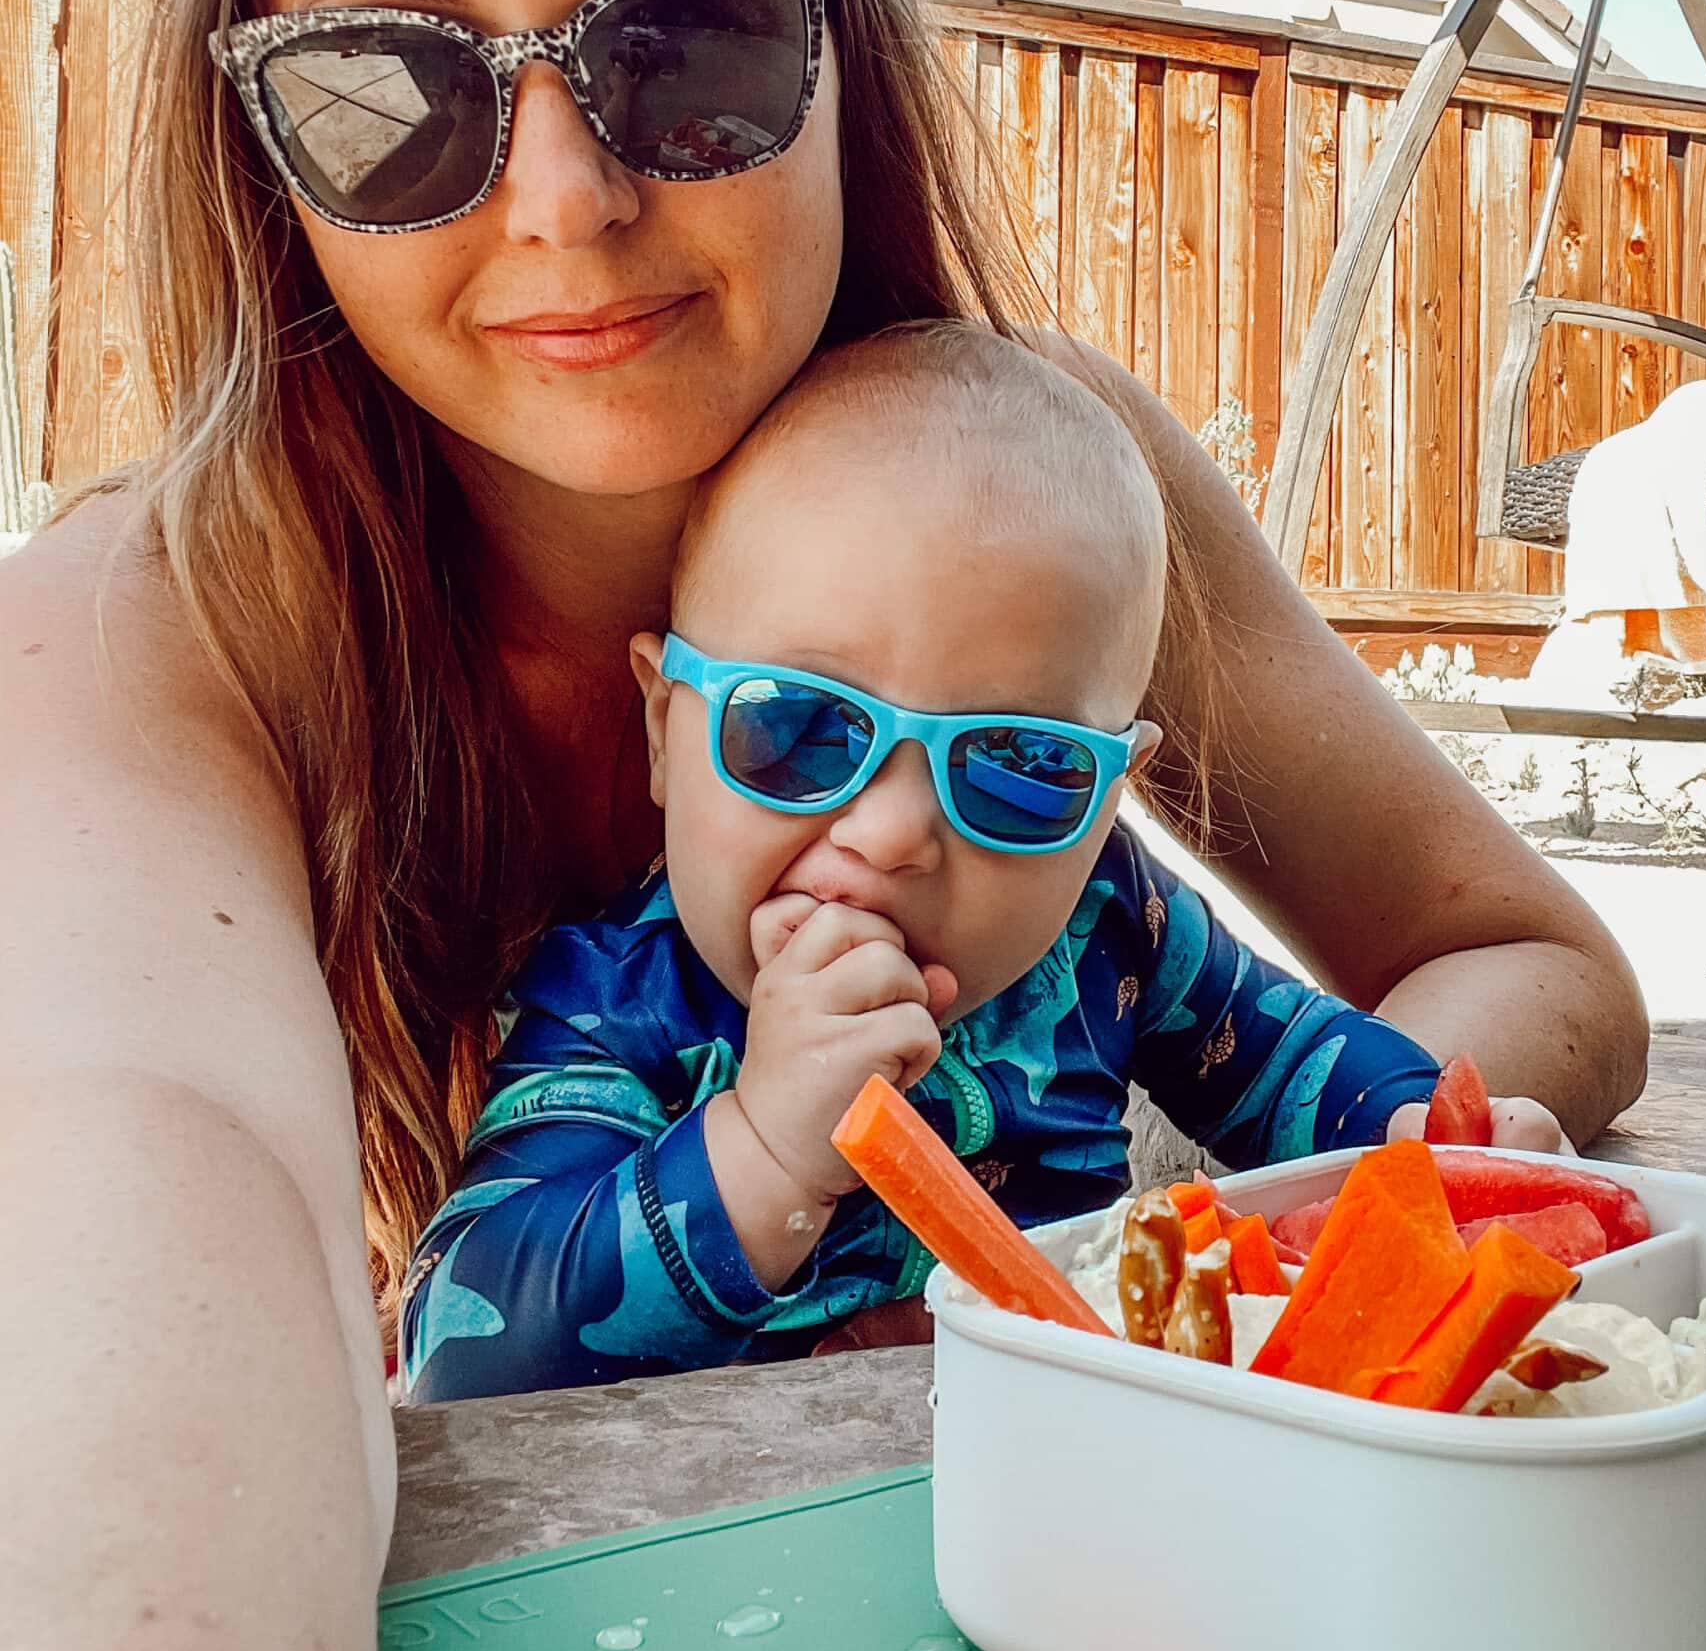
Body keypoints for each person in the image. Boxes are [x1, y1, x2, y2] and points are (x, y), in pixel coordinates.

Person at [0, 0, 1647, 1651]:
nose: (565, 199)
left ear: (841, 32)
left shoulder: (1051, 485)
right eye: (385, 88)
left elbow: (1522, 977)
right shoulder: (152, 628)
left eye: (678, 41)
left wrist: (1265, 1267)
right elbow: (133, 1354)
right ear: (266, 158)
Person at [402, 326, 1565, 1398]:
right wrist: (760, 1155)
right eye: (798, 728)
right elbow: (465, 1344)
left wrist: (1422, 1139)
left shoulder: (1112, 924)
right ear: (664, 728)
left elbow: (1296, 1064)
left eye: (1018, 769)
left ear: (1110, 794)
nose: (895, 830)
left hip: (1066, 1491)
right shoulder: (620, 1000)